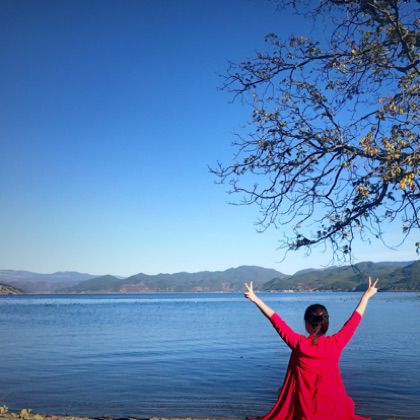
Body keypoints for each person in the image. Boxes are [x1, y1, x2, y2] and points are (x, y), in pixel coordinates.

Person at [244, 277, 379, 420]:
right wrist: (366, 297)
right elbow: (354, 321)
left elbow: (275, 320)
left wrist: (255, 299)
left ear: (307, 323)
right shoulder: (336, 343)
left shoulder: (298, 344)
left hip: (304, 407)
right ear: (326, 323)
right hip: (331, 405)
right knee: (345, 402)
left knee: (283, 392)